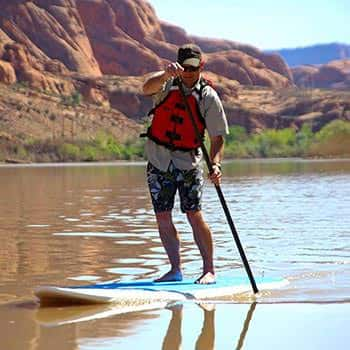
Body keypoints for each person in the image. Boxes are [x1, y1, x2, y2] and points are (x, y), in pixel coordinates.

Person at [142, 43, 229, 284]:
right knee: (162, 216)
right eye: (185, 68)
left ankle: (209, 270)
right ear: (179, 66)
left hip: (188, 163)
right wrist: (165, 74)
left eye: (193, 67)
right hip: (159, 161)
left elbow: (217, 138)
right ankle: (175, 270)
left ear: (201, 66)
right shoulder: (166, 84)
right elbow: (145, 88)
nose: (189, 72)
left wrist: (216, 165)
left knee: (193, 214)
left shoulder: (208, 96)